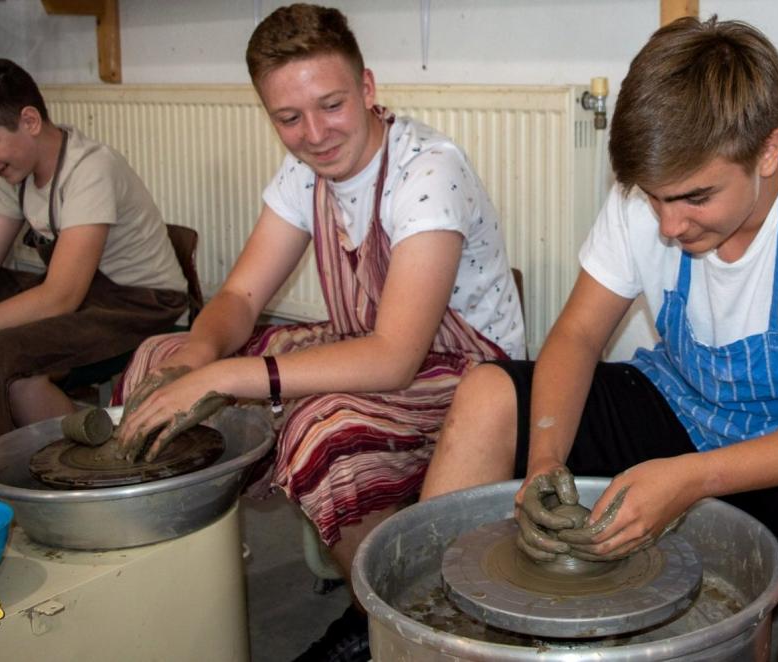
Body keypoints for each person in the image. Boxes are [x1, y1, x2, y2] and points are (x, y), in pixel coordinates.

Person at [421, 15, 778, 661]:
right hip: (685, 403)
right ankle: (439, 639)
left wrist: (689, 479)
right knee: (488, 396)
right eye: (653, 198)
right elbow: (576, 334)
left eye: (694, 198)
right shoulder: (655, 194)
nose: (666, 225)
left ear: (768, 150)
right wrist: (546, 459)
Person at [111, 4, 524, 659]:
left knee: (320, 422)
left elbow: (393, 358)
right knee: (158, 356)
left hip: (462, 366)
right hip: (369, 340)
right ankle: (166, 564)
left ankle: (382, 616)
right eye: (288, 117)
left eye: (330, 105)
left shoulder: (427, 172)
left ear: (366, 88)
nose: (314, 133)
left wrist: (225, 377)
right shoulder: (305, 173)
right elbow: (243, 294)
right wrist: (195, 356)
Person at [0, 58, 189, 446]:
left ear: (29, 121)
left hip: (140, 306)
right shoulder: (18, 171)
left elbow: (59, 297)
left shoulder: (90, 169)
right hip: (79, 293)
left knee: (8, 352)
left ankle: (70, 464)